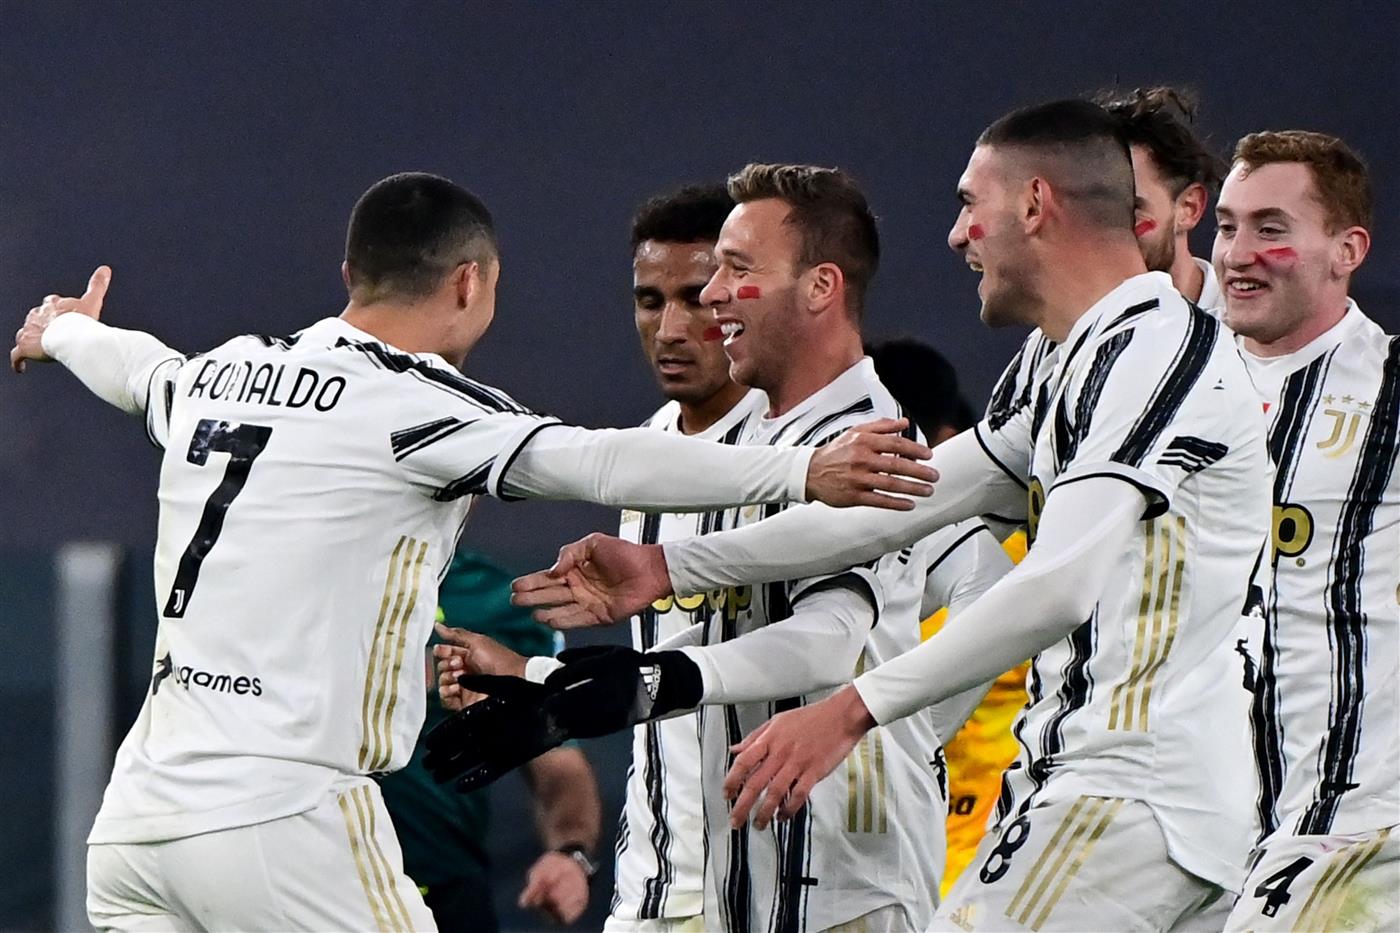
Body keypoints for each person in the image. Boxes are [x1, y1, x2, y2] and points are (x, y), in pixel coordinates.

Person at [8, 172, 935, 931]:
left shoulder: (218, 374)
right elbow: (596, 455)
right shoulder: (416, 405)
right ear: (470, 283)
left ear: (349, 270)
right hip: (279, 813)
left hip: (133, 822)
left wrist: (66, 330)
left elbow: (140, 370)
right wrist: (803, 469)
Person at [512, 101, 1272, 930]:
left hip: (1135, 790)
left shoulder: (1151, 348)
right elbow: (895, 509)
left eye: (968, 203)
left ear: (1033, 205)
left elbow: (1055, 587)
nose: (956, 235)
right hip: (1100, 786)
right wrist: (670, 568)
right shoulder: (1059, 360)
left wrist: (850, 710)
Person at [435, 163, 1010, 932]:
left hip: (836, 875)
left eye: (718, 280)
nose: (682, 320)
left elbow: (918, 605)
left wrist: (887, 720)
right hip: (671, 880)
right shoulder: (651, 459)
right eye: (651, 300)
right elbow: (673, 669)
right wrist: (539, 682)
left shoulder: (841, 450)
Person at [1210, 131, 1398, 933]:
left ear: (1346, 249)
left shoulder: (1391, 390)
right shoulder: (1178, 385)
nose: (1238, 253)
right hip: (1200, 828)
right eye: (1226, 225)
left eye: (1271, 228)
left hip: (1353, 818)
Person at [866, 337, 1028, 898]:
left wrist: (903, 749)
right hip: (891, 851)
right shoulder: (865, 549)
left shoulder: (1028, 565)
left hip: (986, 861)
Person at [378, 549, 601, 931]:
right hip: (298, 885)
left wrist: (570, 852)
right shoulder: (291, 576)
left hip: (443, 896)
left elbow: (558, 765)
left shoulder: (502, 603)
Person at [1096, 86, 1227, 308]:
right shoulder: (1058, 337)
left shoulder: (1250, 331)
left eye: (1131, 207)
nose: (1108, 231)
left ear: (1189, 207)